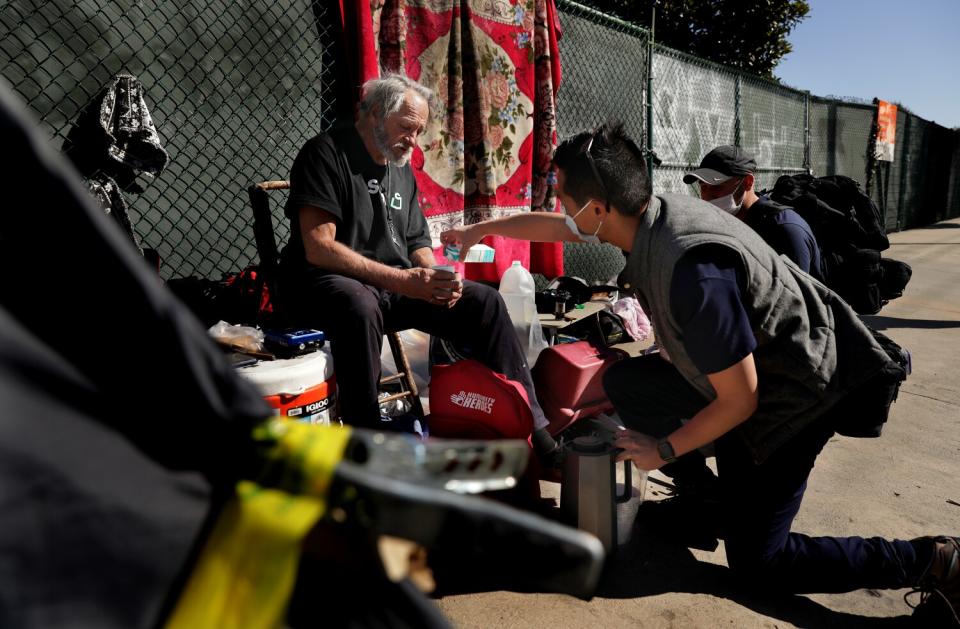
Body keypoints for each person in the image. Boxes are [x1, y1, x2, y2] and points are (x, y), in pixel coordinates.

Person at [440, 121, 958, 623]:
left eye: (566, 198)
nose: (563, 211)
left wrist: (661, 451)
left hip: (798, 397)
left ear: (599, 207)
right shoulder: (643, 214)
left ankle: (933, 559)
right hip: (741, 380)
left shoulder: (691, 269)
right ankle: (711, 504)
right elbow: (558, 227)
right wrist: (480, 229)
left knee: (759, 561)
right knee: (625, 382)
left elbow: (743, 400)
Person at [278, 73, 559, 459]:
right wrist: (405, 281)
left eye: (419, 130)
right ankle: (367, 446)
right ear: (375, 113)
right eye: (407, 128)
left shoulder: (400, 166)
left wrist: (435, 277)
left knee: (485, 304)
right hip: (329, 283)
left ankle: (535, 430)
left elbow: (416, 242)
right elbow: (319, 248)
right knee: (359, 305)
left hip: (393, 287)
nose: (413, 140)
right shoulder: (325, 154)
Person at [684, 145, 826, 282]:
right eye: (703, 187)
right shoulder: (725, 222)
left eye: (717, 186)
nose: (707, 196)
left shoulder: (784, 230)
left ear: (748, 182)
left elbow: (796, 299)